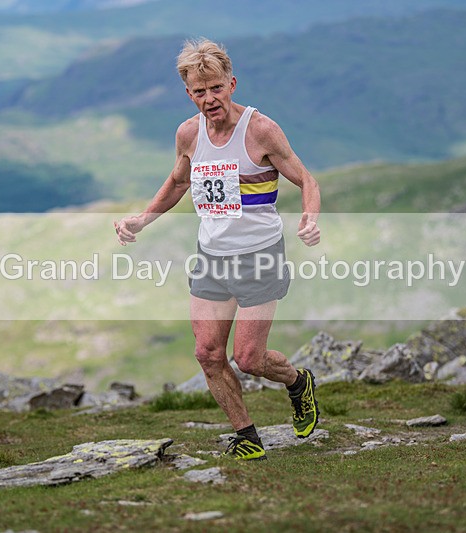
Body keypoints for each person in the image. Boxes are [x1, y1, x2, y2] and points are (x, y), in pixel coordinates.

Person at [114, 38, 321, 461]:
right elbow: (177, 182)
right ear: (188, 93)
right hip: (211, 258)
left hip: (260, 255)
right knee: (208, 353)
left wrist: (310, 217)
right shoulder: (188, 134)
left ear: (231, 83)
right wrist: (142, 218)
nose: (209, 99)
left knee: (248, 357)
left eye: (216, 88)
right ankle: (247, 436)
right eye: (199, 92)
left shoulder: (260, 129)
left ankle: (298, 382)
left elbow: (307, 180)